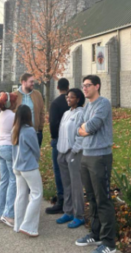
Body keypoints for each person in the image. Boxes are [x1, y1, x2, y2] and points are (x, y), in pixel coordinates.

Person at [75, 75, 116, 253]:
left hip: (100, 156)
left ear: (97, 86)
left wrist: (85, 129)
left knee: (102, 198)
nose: (84, 88)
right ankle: (96, 233)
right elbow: (79, 128)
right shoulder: (86, 106)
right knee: (91, 197)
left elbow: (92, 126)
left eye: (88, 85)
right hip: (86, 155)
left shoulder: (103, 104)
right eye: (83, 86)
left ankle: (109, 242)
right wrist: (85, 129)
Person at [56, 88, 85, 228]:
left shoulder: (81, 113)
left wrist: (74, 150)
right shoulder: (66, 113)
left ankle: (79, 215)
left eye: (72, 97)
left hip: (74, 153)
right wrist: (60, 153)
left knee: (76, 185)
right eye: (67, 97)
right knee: (66, 184)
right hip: (62, 153)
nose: (68, 99)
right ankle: (68, 211)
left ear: (78, 99)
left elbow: (82, 134)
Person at [12, 105, 42, 237]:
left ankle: (18, 225)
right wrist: (37, 159)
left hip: (17, 166)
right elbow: (36, 149)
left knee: (21, 195)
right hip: (28, 166)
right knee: (36, 194)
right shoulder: (29, 130)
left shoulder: (15, 129)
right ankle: (28, 226)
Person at [0, 92, 17, 227]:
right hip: (8, 148)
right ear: (10, 103)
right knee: (13, 181)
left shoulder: (0, 115)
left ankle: (0, 213)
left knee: (4, 181)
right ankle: (8, 214)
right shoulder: (13, 116)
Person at [45, 78, 69, 214]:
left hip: (59, 138)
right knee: (69, 169)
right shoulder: (73, 101)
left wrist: (53, 137)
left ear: (58, 87)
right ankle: (67, 196)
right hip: (71, 139)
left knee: (59, 169)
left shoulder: (55, 103)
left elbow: (53, 123)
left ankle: (61, 199)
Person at [14, 73, 45, 147]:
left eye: (33, 81)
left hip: (35, 132)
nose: (33, 84)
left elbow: (42, 112)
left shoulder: (37, 95)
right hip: (19, 133)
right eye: (31, 82)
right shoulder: (15, 95)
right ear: (23, 82)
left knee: (34, 156)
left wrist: (40, 128)